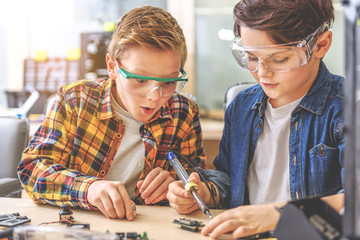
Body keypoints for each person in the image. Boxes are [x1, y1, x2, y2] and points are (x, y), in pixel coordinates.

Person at [166, 0, 344, 238]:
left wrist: (281, 215)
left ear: (321, 45)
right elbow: (229, 178)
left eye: (279, 59)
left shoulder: (346, 109)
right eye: (251, 58)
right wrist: (207, 192)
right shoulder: (241, 106)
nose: (262, 72)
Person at [18, 6, 206, 221]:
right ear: (112, 67)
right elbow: (32, 170)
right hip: (78, 225)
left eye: (169, 82)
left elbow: (198, 177)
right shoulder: (74, 100)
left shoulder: (184, 112)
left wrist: (176, 185)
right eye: (140, 80)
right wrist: (89, 189)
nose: (155, 96)